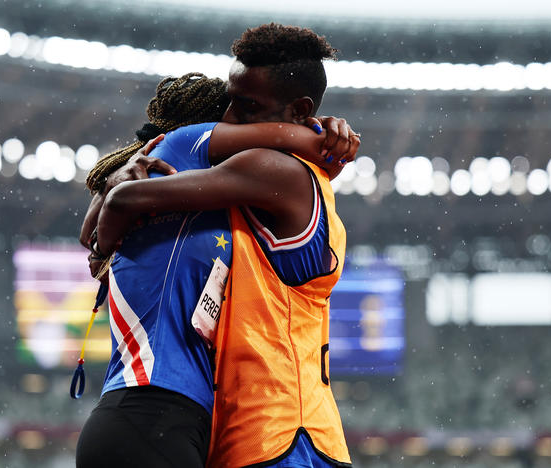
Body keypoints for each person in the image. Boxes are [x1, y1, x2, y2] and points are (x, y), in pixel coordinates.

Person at [96, 24, 358, 468]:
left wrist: (117, 190)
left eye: (247, 106)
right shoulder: (243, 189)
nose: (229, 117)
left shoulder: (268, 171)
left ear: (299, 109)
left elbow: (121, 203)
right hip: (253, 435)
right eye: (228, 102)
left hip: (280, 437)